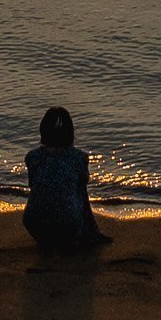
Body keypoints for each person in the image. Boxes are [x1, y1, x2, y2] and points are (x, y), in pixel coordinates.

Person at [23, 105, 110, 252]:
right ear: (70, 133)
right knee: (80, 189)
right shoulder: (79, 157)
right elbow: (83, 183)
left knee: (49, 187)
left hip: (33, 223)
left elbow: (33, 184)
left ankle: (48, 235)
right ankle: (88, 233)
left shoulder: (32, 157)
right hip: (68, 224)